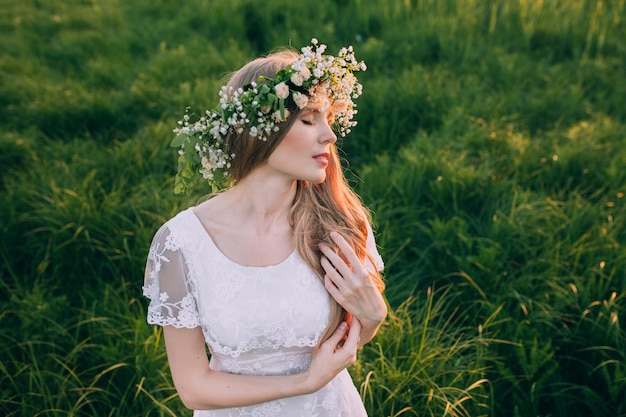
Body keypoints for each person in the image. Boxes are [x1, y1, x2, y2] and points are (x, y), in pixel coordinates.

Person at [143, 38, 387, 416]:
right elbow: (193, 389)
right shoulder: (181, 244)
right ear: (259, 130)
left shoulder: (338, 224)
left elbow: (347, 342)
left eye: (329, 120)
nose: (330, 136)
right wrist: (305, 382)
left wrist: (372, 319)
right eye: (308, 119)